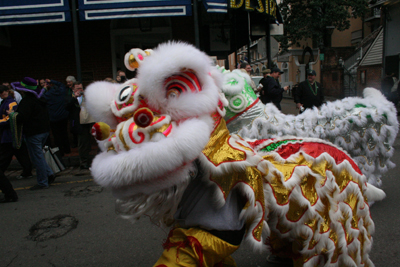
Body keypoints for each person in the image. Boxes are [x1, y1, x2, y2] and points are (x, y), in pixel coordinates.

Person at [11, 77, 55, 190]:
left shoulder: (27, 102)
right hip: (43, 131)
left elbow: (22, 117)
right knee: (39, 155)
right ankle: (49, 174)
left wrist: (12, 115)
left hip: (34, 132)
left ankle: (43, 182)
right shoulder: (39, 99)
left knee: (37, 157)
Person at [0, 85, 32, 180]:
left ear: (6, 91)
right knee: (20, 154)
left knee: (5, 155)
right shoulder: (6, 102)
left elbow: (10, 118)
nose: (1, 94)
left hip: (11, 134)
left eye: (2, 92)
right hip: (11, 134)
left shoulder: (11, 103)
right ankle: (27, 171)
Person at [66, 81, 96, 170]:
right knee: (83, 143)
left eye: (81, 88)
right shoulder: (70, 97)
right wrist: (75, 97)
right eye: (78, 88)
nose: (80, 90)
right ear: (73, 89)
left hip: (90, 121)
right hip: (79, 123)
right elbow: (66, 107)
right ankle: (83, 162)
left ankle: (93, 160)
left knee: (93, 141)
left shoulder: (87, 96)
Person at [43, 79, 71, 158]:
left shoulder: (48, 95)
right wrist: (51, 81)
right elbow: (61, 84)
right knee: (64, 133)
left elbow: (40, 96)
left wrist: (44, 88)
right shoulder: (61, 92)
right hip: (63, 116)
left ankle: (60, 151)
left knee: (56, 136)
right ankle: (67, 149)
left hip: (53, 118)